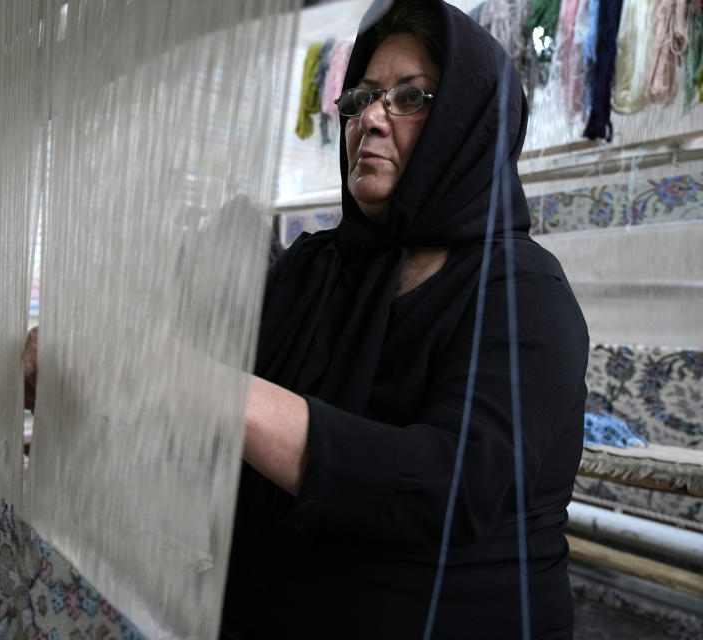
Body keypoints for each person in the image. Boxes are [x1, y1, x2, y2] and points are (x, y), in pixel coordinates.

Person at [222, 0, 588, 638]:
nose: (371, 119)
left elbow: (451, 486)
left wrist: (202, 389)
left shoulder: (525, 293)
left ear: (469, 126)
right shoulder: (315, 270)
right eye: (360, 98)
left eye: (411, 100)